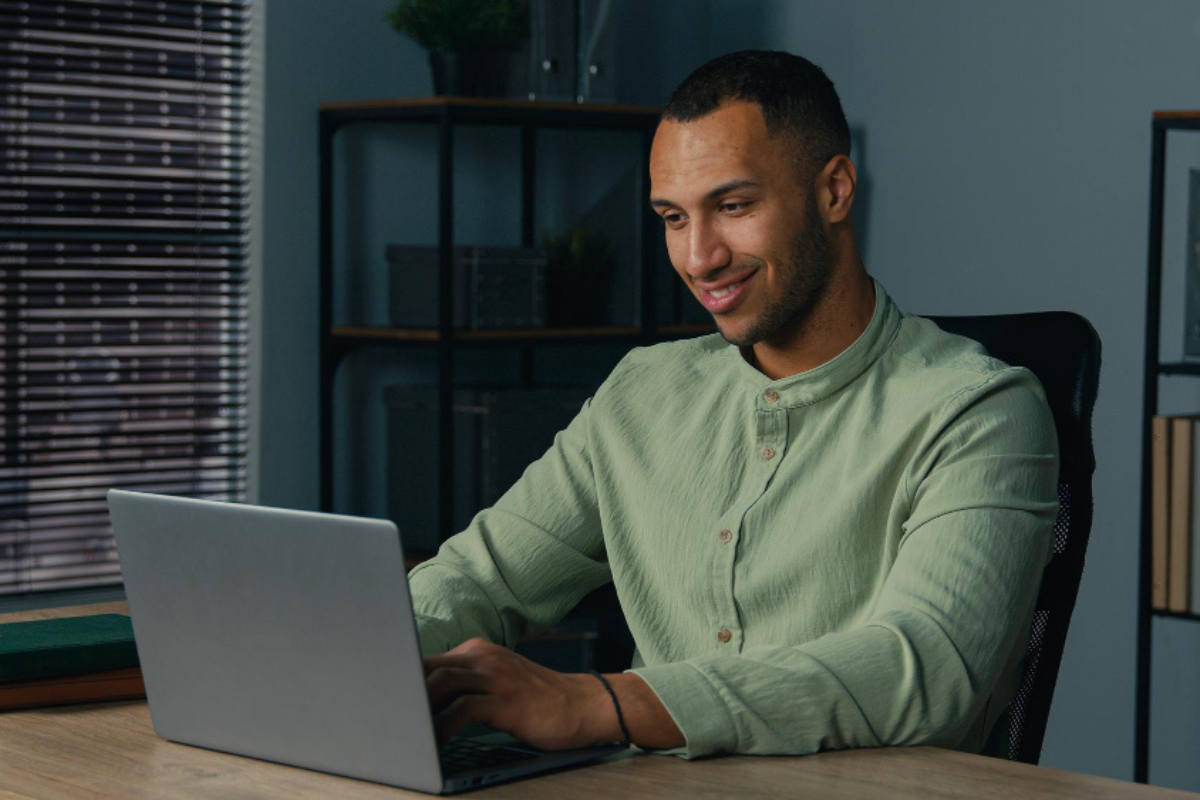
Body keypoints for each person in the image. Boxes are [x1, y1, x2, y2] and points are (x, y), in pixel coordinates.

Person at [410, 50, 1059, 759]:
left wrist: (599, 703)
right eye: (672, 218)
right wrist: (341, 651)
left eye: (733, 206)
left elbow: (924, 670)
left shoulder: (980, 411)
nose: (698, 257)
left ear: (835, 190)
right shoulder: (643, 393)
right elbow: (480, 577)